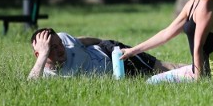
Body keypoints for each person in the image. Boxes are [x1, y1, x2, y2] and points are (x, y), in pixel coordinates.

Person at [27, 27, 180, 79]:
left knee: (160, 68)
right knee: (156, 79)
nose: (61, 49)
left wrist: (107, 44)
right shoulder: (42, 74)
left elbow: (84, 41)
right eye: (52, 48)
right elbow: (30, 88)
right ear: (40, 54)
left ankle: (198, 71)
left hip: (113, 54)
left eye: (59, 44)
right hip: (115, 76)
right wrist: (43, 54)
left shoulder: (64, 38)